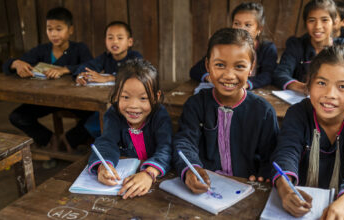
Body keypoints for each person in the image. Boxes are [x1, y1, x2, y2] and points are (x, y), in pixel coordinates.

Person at [271, 45, 344, 218]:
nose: (330, 94)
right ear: (309, 84)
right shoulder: (298, 115)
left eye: (343, 86)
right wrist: (285, 188)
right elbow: (286, 152)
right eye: (321, 83)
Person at [173, 28, 279, 194]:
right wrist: (191, 169)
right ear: (208, 65)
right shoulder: (196, 104)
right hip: (205, 188)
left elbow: (272, 155)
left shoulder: (263, 112)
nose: (229, 75)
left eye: (239, 66)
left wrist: (264, 174)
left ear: (251, 68)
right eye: (220, 65)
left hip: (247, 190)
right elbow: (185, 142)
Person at [3, 7, 93, 149]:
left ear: (70, 30)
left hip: (74, 101)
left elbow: (90, 66)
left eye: (59, 29)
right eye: (49, 29)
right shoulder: (42, 50)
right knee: (17, 117)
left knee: (96, 116)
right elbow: (11, 64)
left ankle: (69, 140)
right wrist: (16, 63)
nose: (53, 34)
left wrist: (65, 69)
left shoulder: (79, 49)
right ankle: (49, 140)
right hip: (46, 100)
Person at [87, 59, 172, 199]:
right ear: (116, 94)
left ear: (156, 97)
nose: (133, 106)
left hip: (155, 181)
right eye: (125, 97)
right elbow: (107, 142)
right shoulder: (114, 114)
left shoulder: (160, 115)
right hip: (124, 184)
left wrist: (149, 173)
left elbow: (166, 148)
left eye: (143, 98)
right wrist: (104, 166)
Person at [189, 2, 277, 90]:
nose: (241, 28)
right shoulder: (224, 46)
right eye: (237, 23)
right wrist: (209, 77)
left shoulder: (267, 48)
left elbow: (268, 75)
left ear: (259, 29)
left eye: (248, 25)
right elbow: (195, 70)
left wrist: (247, 84)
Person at [272, 0, 344, 94]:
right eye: (311, 20)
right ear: (305, 23)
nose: (317, 26)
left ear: (334, 22)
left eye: (324, 20)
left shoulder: (343, 47)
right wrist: (302, 87)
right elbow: (280, 73)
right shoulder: (296, 46)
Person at [75, 21, 142, 85]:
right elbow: (87, 67)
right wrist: (81, 75)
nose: (115, 41)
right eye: (110, 38)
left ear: (130, 42)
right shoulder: (105, 57)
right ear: (105, 41)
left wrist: (109, 78)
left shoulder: (135, 56)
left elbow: (137, 73)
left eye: (120, 38)